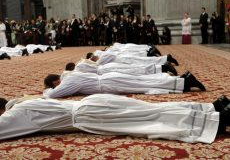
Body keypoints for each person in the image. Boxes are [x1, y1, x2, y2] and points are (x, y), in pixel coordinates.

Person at [0, 94, 229, 143]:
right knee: (151, 109)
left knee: (151, 119)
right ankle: (211, 108)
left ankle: (218, 120)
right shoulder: (24, 101)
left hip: (90, 116)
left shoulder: (17, 112)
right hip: (95, 102)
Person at [43, 71, 205, 98]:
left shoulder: (68, 80)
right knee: (144, 82)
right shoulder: (71, 74)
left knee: (144, 86)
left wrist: (47, 91)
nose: (56, 86)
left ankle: (184, 82)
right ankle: (183, 79)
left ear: (56, 82)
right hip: (110, 79)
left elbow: (54, 94)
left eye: (54, 84)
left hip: (110, 83)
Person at [74, 59, 178, 75]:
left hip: (106, 70)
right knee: (135, 68)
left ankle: (163, 68)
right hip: (107, 68)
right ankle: (162, 67)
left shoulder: (79, 67)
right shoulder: (81, 64)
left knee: (135, 70)